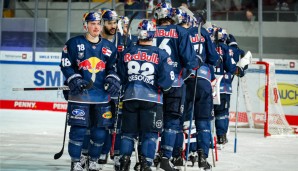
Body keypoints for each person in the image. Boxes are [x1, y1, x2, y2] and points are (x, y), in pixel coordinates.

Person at [59, 11, 121, 171]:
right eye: (92, 23)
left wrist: (112, 78)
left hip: (101, 97)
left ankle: (93, 161)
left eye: (98, 23)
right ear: (85, 25)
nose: (96, 26)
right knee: (79, 131)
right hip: (80, 96)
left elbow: (113, 68)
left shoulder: (109, 47)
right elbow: (66, 64)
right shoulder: (73, 43)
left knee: (100, 133)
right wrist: (74, 78)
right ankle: (76, 162)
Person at [117, 19, 175, 171]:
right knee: (150, 134)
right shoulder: (161, 54)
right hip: (151, 99)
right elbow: (167, 81)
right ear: (152, 34)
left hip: (129, 97)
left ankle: (124, 162)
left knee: (128, 134)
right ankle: (146, 164)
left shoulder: (128, 52)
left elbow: (121, 76)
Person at [153, 2, 201, 171]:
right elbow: (190, 60)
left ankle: (147, 158)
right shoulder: (181, 31)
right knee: (172, 122)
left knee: (151, 123)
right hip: (175, 83)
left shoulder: (150, 31)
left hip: (152, 86)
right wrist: (197, 61)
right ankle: (165, 158)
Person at [173, 8, 220, 170]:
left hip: (184, 80)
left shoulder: (176, 33)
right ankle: (202, 156)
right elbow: (214, 59)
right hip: (204, 80)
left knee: (179, 121)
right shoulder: (203, 33)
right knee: (203, 121)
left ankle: (178, 155)